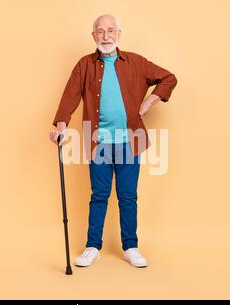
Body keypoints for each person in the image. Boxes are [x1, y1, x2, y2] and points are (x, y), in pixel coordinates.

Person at [49, 14, 177, 268]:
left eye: (110, 31)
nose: (105, 36)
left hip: (131, 142)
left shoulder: (136, 62)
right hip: (99, 143)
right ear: (93, 36)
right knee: (99, 195)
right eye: (100, 31)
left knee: (128, 196)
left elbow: (169, 78)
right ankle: (92, 247)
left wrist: (151, 100)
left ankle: (130, 247)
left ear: (118, 34)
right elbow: (69, 97)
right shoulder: (84, 65)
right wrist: (61, 126)